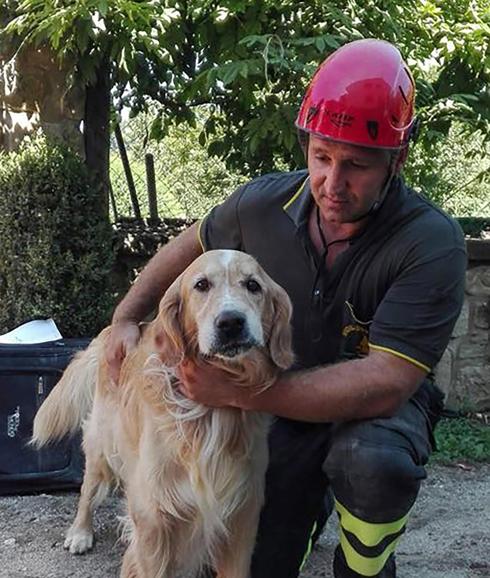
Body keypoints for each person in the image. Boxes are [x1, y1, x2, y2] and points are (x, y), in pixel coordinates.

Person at [106, 39, 467, 577]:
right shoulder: (261, 204)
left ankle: (363, 561)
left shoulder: (430, 242)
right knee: (245, 558)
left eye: (357, 166)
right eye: (321, 157)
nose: (332, 183)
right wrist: (125, 316)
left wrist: (240, 392)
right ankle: (311, 503)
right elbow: (189, 247)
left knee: (374, 464)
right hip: (280, 407)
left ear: (398, 159)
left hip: (371, 413)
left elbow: (388, 380)